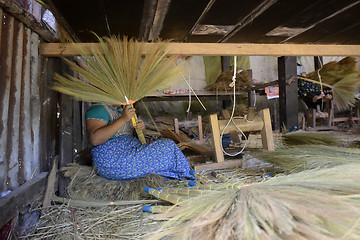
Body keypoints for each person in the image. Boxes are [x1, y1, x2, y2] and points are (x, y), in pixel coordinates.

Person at [85, 104, 195, 180]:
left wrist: (141, 129)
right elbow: (95, 139)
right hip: (113, 161)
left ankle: (184, 174)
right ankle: (187, 175)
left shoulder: (123, 111)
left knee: (167, 147)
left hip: (128, 155)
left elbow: (136, 137)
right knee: (167, 146)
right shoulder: (99, 109)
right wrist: (123, 119)